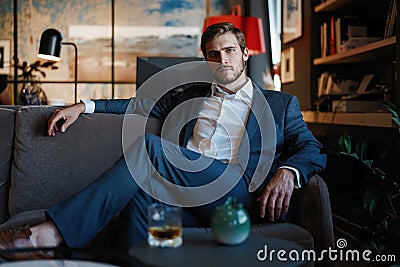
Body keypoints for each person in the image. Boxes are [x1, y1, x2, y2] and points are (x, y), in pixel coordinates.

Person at [0, 22, 326, 256]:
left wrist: (289, 171)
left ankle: (51, 233)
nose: (223, 59)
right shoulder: (191, 95)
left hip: (240, 196)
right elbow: (139, 104)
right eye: (214, 55)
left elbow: (311, 148)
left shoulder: (280, 105)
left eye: (229, 51)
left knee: (152, 149)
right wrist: (85, 105)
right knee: (141, 199)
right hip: (188, 197)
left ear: (244, 54)